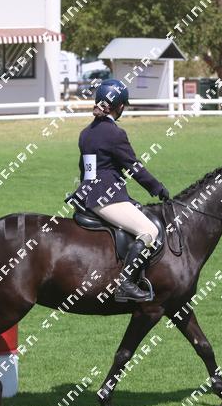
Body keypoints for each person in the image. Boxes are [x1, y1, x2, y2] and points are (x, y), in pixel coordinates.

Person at [72, 79, 170, 302]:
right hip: (108, 198)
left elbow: (88, 170)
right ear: (121, 106)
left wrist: (83, 192)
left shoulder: (86, 133)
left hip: (91, 196)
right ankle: (126, 284)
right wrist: (157, 188)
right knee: (149, 230)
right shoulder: (115, 133)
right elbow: (134, 167)